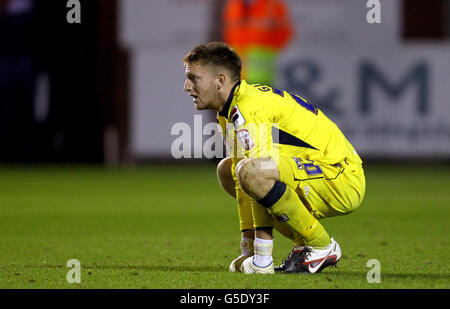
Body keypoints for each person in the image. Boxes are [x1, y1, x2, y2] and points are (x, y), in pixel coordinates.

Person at [182, 42, 366, 274]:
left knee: (252, 171)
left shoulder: (248, 107)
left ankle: (321, 245)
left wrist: (262, 258)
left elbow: (254, 173)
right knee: (228, 170)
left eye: (193, 78)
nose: (186, 87)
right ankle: (303, 244)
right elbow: (242, 181)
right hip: (312, 166)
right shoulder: (228, 109)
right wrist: (247, 250)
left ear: (219, 80)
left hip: (340, 176)